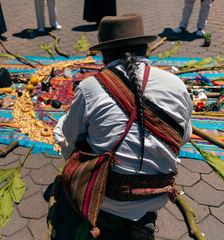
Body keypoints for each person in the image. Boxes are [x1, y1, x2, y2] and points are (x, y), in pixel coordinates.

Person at [54, 13, 193, 238]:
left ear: (105, 55)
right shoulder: (176, 84)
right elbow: (184, 137)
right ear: (145, 49)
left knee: (62, 129)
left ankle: (91, 201)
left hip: (107, 195)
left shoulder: (90, 87)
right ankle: (145, 216)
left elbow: (72, 135)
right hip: (158, 193)